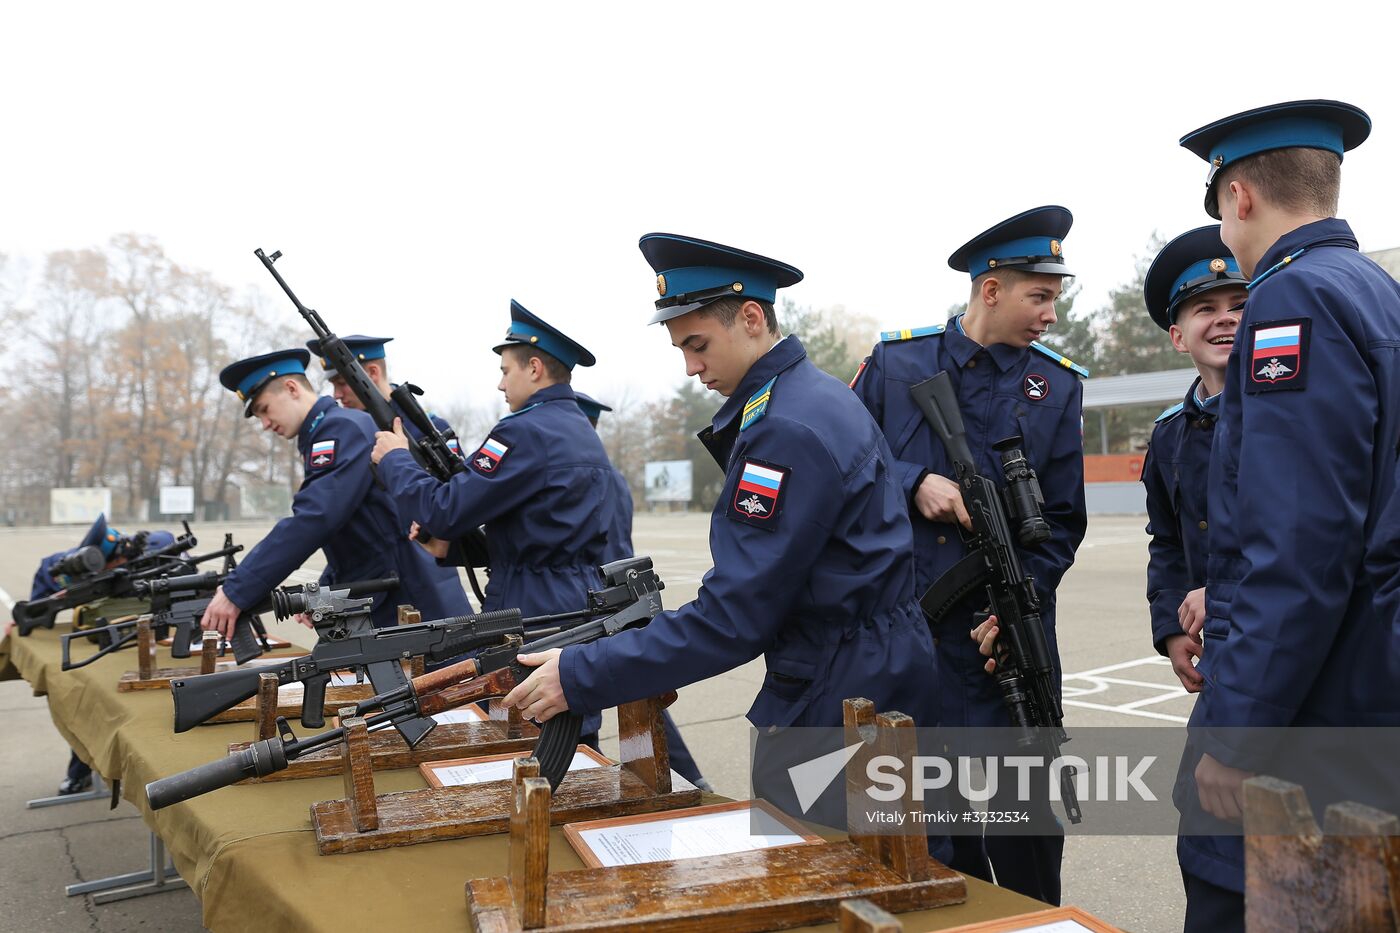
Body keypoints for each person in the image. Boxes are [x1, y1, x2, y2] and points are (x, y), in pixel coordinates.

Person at [498, 234, 947, 863]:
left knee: (821, 874)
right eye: (681, 348)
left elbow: (735, 616)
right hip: (877, 668)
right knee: (899, 865)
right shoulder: (812, 396)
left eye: (697, 344)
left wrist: (583, 673)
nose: (690, 367)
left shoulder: (782, 428)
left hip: (839, 691)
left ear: (753, 318)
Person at [1170, 99, 1400, 931]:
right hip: (1371, 694)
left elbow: (1299, 547)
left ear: (1239, 199)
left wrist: (1239, 732)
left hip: (1313, 715)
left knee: (1248, 897)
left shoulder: (1292, 302)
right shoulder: (1377, 291)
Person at [851, 206, 1088, 904]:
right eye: (1038, 296)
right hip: (917, 642)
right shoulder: (898, 366)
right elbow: (843, 467)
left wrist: (1023, 600)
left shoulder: (1057, 384)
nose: (1049, 314)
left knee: (1030, 831)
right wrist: (910, 480)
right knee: (934, 830)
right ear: (990, 290)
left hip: (1010, 638)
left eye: (1054, 297)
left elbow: (1065, 521)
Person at [371, 301, 613, 746]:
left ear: (535, 368)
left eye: (506, 370)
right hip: (569, 600)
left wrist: (396, 461)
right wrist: (452, 548)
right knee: (571, 737)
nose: (501, 383)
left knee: (525, 736)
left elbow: (446, 509)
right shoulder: (576, 428)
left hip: (532, 606)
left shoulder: (524, 431)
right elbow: (543, 534)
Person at [199, 349, 464, 640]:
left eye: (264, 409)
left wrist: (237, 591)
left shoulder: (340, 430)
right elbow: (356, 529)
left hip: (408, 600)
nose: (264, 423)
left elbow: (315, 519)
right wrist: (325, 589)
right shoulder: (327, 432)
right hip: (390, 592)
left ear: (291, 389)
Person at [573, 390, 712, 792]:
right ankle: (688, 776)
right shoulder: (602, 475)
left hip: (606, 602)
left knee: (640, 693)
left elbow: (615, 553)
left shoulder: (606, 480)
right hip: (601, 599)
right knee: (637, 692)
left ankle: (687, 777)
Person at [1139, 226, 1247, 693]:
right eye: (1207, 308)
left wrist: (1221, 595)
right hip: (1217, 648)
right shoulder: (1169, 436)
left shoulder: (1289, 417)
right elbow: (1166, 541)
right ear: (1179, 337)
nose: (1226, 319)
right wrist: (1172, 626)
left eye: (1241, 307)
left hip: (1281, 637)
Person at [305, 333, 473, 616]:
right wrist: (325, 589)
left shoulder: (427, 428)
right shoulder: (348, 434)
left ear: (371, 372)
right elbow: (357, 527)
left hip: (427, 591)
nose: (336, 395)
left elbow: (456, 501)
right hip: (375, 595)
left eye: (342, 383)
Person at [29, 514, 176, 794]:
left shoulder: (151, 552)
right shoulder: (80, 562)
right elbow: (47, 574)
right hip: (98, 644)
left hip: (153, 640)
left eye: (121, 563)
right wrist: (33, 612)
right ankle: (80, 770)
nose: (119, 568)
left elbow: (169, 544)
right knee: (85, 700)